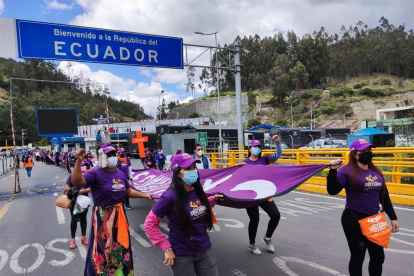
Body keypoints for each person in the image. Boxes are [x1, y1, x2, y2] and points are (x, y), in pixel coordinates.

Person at [71, 145, 152, 276]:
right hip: (103, 217)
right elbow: (77, 181)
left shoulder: (120, 174)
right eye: (109, 155)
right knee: (102, 249)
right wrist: (79, 161)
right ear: (101, 157)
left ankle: (121, 273)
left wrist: (144, 195)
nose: (113, 157)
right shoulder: (95, 173)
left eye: (114, 154)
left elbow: (128, 191)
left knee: (121, 247)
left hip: (120, 215)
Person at [327, 139, 399, 276]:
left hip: (374, 220)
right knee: (358, 256)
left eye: (369, 151)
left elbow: (384, 196)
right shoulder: (346, 171)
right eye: (363, 151)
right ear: (354, 154)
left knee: (378, 257)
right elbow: (332, 190)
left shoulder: (376, 172)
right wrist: (332, 171)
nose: (368, 153)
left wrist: (393, 217)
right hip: (354, 219)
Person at [144, 153, 223, 276]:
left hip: (205, 250)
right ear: (178, 172)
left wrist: (213, 200)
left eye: (194, 168)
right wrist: (166, 247)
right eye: (187, 169)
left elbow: (197, 204)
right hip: (182, 255)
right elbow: (149, 224)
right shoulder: (169, 197)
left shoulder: (197, 189)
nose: (193, 171)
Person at [241, 135, 282, 255]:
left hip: (264, 195)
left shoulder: (264, 159)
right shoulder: (245, 162)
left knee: (276, 215)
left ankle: (267, 238)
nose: (257, 148)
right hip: (250, 196)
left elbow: (278, 155)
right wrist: (239, 167)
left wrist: (278, 143)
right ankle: (252, 244)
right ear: (249, 149)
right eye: (255, 146)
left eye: (259, 146)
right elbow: (236, 175)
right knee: (254, 219)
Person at [65, 174, 91, 249]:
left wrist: (81, 191)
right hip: (74, 201)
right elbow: (67, 186)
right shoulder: (72, 176)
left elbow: (91, 188)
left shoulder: (87, 176)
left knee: (83, 218)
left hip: (84, 201)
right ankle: (72, 239)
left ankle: (83, 236)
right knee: (74, 219)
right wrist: (71, 191)